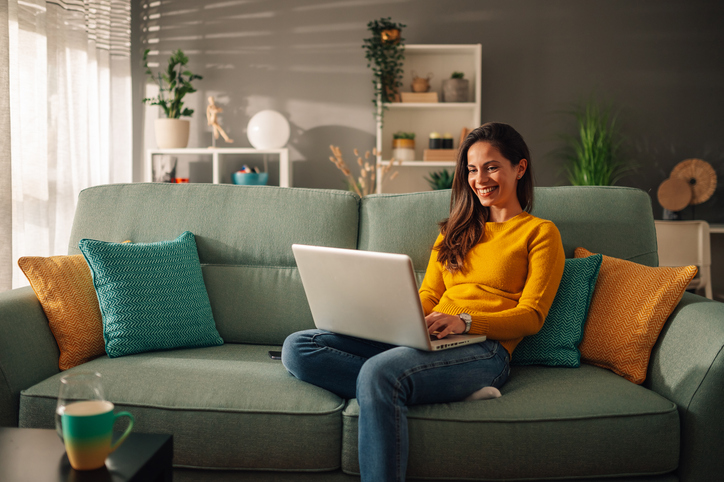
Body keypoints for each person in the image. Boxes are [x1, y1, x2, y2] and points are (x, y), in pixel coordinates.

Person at [282, 122, 565, 482]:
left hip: (485, 349)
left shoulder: (540, 233)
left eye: (492, 167)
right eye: (472, 169)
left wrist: (465, 322)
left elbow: (532, 316)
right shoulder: (453, 232)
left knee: (379, 372)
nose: (480, 179)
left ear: (519, 168)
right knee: (299, 346)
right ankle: (436, 390)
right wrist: (396, 318)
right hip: (428, 334)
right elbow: (429, 295)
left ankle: (403, 385)